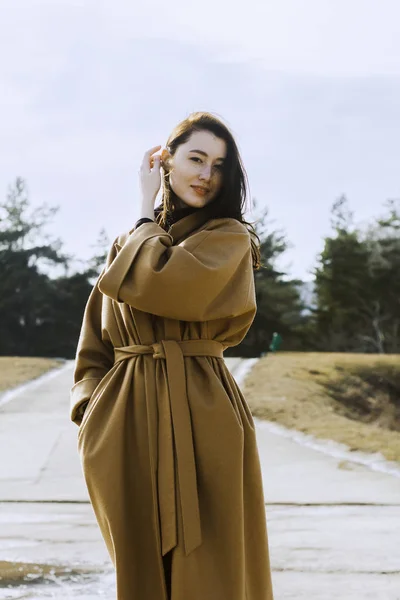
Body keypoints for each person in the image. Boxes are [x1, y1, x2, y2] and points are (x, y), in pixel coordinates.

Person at [70, 111, 274, 600]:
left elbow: (163, 283)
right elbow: (94, 342)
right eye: (196, 159)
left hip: (204, 415)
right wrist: (91, 412)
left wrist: (143, 216)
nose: (206, 175)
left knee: (211, 568)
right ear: (166, 163)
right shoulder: (129, 244)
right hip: (124, 425)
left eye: (219, 165)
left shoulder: (229, 239)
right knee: (137, 566)